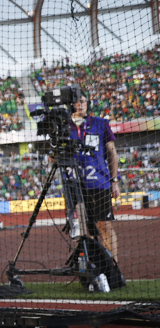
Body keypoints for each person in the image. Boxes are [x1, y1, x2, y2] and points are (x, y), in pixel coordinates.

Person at [70, 88, 121, 265]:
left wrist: (114, 181)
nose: (80, 105)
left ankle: (113, 267)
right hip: (75, 187)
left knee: (105, 226)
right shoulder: (64, 127)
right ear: (71, 105)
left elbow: (112, 153)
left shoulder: (100, 123)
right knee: (85, 231)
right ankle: (94, 267)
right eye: (76, 102)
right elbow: (54, 157)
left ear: (88, 104)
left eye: (83, 102)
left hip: (100, 184)